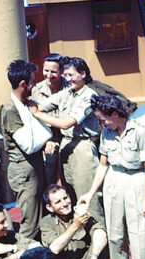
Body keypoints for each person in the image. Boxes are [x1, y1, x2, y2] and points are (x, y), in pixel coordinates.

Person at [77, 94, 145, 259]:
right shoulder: (106, 134)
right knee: (115, 235)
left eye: (103, 119)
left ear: (114, 114)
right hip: (114, 181)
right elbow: (103, 165)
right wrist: (90, 193)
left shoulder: (139, 131)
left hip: (136, 181)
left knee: (140, 238)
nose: (101, 123)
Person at [31, 57, 104, 223]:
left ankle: (100, 237)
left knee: (88, 200)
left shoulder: (88, 96)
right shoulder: (67, 93)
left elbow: (66, 123)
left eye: (71, 75)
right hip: (66, 146)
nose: (68, 79)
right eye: (66, 75)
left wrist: (37, 114)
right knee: (69, 197)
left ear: (83, 74)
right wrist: (31, 106)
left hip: (82, 147)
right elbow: (43, 105)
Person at [0, 59, 55, 239]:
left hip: (35, 168)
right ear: (23, 84)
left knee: (42, 219)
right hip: (24, 171)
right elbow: (29, 145)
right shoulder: (10, 110)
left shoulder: (26, 104)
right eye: (32, 81)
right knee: (30, 224)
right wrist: (47, 137)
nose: (35, 84)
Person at [40, 184, 107, 259]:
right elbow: (54, 249)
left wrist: (94, 256)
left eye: (65, 198)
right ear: (49, 207)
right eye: (58, 202)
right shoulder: (46, 222)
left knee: (98, 239)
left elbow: (101, 232)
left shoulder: (80, 213)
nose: (65, 204)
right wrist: (76, 225)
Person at [30, 53, 68, 185]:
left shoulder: (69, 88)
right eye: (46, 70)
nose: (49, 75)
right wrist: (47, 140)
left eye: (54, 72)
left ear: (62, 71)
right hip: (46, 138)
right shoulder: (36, 90)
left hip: (66, 135)